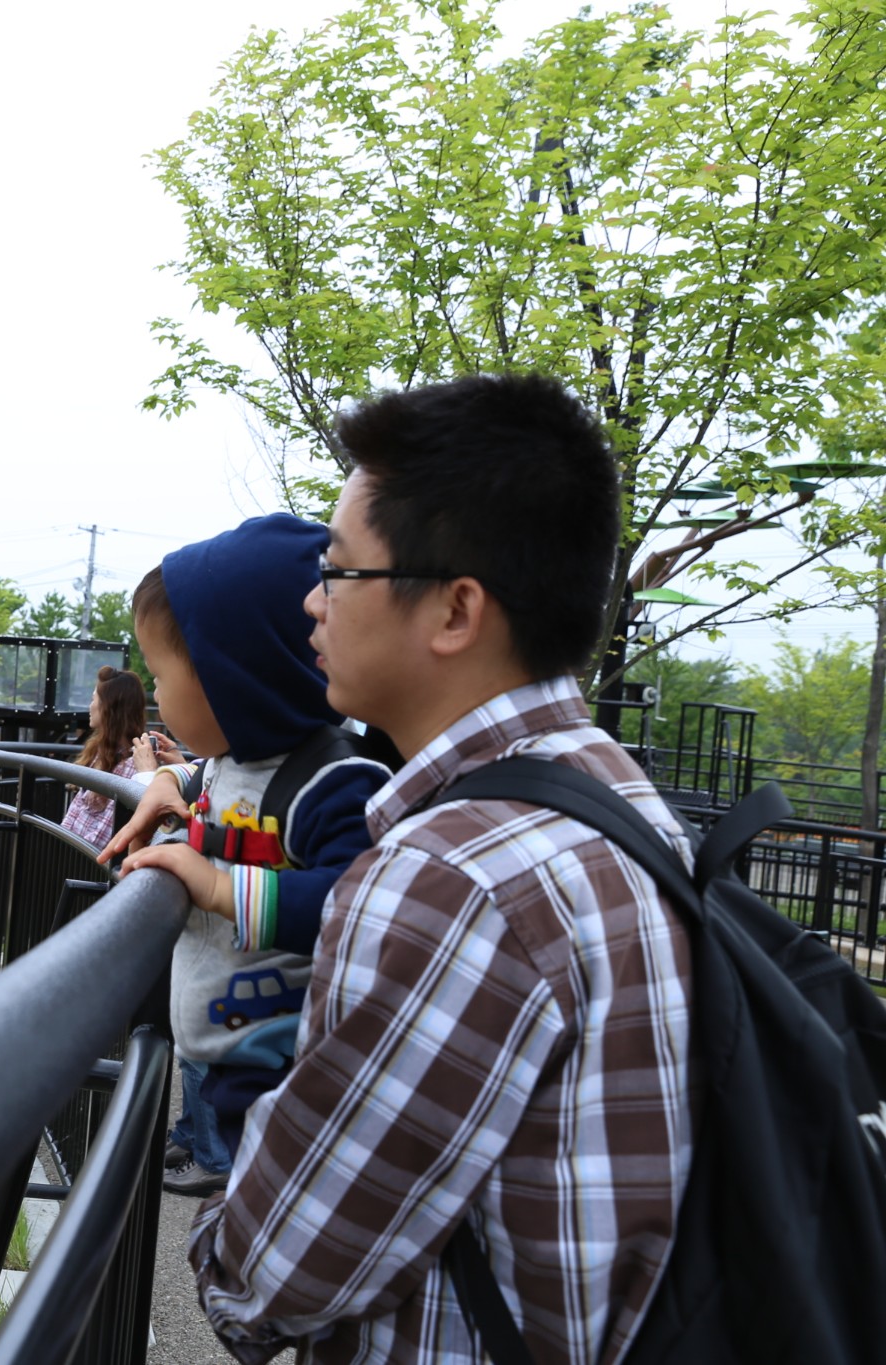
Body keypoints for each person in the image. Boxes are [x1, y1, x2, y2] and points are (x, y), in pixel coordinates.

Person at [179, 374, 692, 1364]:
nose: (310, 602)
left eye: (337, 571)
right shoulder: (610, 792)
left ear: (454, 610)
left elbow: (281, 1265)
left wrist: (212, 1252)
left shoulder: (452, 875)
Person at [99, 515, 390, 1199]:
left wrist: (217, 887)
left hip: (283, 1067)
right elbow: (204, 782)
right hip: (222, 1035)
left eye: (164, 674)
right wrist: (166, 783)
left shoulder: (338, 782)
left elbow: (354, 906)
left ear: (233, 677)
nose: (157, 695)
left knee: (259, 1207)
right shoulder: (233, 763)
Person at [58, 665, 162, 850]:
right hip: (73, 854)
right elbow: (76, 814)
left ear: (108, 708)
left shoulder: (133, 763)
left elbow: (104, 836)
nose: (90, 706)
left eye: (93, 699)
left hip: (86, 864)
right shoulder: (102, 751)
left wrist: (61, 849)